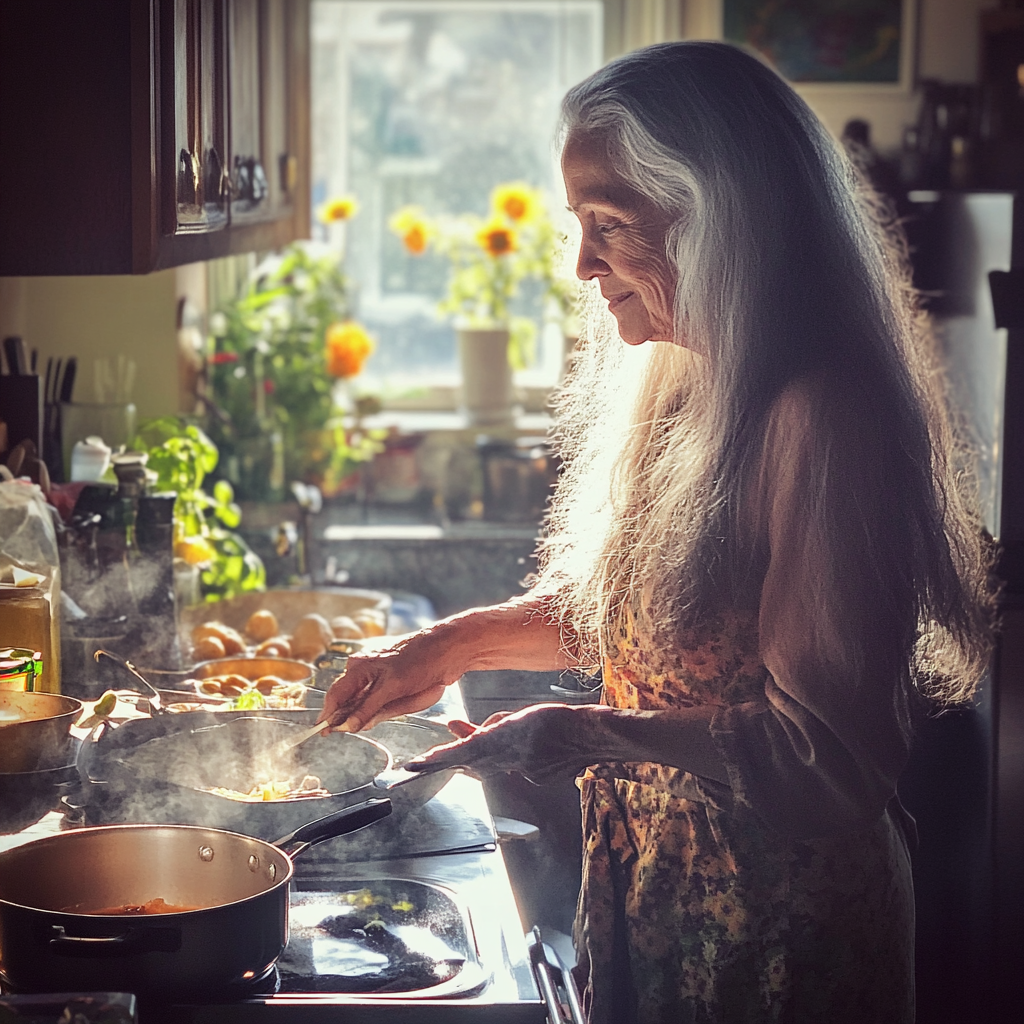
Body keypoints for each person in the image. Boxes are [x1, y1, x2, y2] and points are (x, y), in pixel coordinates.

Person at [320, 41, 994, 1023]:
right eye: (578, 225)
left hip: (777, 930)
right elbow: (645, 617)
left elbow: (828, 762)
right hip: (652, 885)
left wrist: (587, 730)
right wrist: (449, 642)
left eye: (610, 225)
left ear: (723, 219)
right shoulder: (686, 369)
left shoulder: (827, 414)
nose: (583, 263)